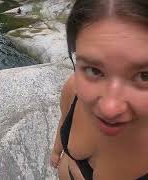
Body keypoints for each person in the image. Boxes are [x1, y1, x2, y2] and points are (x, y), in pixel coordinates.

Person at [50, 0, 148, 179]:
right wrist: (58, 150)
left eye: (144, 76)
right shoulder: (73, 90)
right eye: (94, 70)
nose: (109, 109)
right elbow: (64, 120)